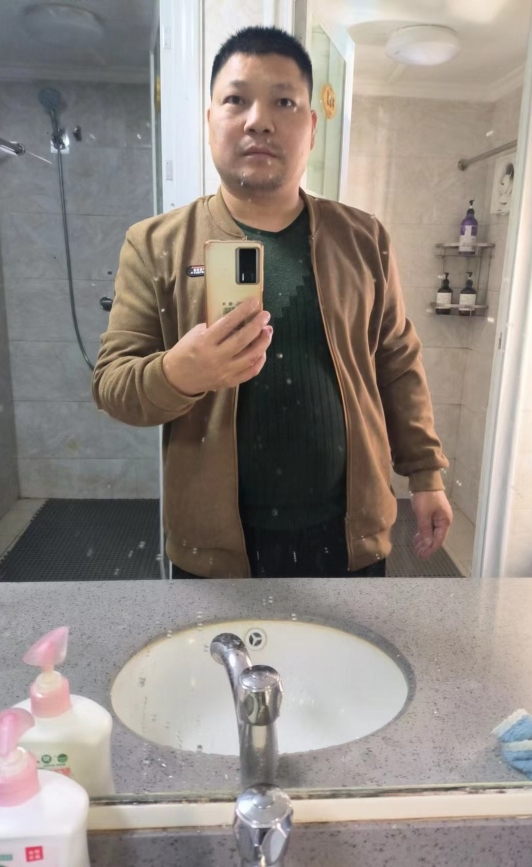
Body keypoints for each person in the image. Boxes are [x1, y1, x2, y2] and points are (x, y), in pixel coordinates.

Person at [92, 26, 453, 579]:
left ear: (311, 127)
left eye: (284, 102)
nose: (258, 120)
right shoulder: (155, 243)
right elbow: (112, 385)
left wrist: (425, 474)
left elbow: (397, 362)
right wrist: (181, 374)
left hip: (348, 537)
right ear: (209, 120)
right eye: (236, 99)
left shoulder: (364, 239)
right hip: (216, 549)